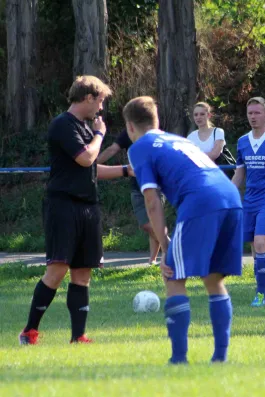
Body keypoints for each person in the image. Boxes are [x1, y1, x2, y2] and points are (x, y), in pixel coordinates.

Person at [125, 96, 242, 364]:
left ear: (130, 127)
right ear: (156, 120)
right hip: (230, 197)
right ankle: (220, 357)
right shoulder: (179, 139)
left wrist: (165, 246)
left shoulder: (140, 147)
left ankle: (179, 359)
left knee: (173, 276)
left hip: (201, 201)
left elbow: (152, 201)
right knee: (213, 279)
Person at [19, 76, 133, 345]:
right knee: (58, 270)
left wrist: (127, 170)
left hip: (88, 207)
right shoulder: (63, 125)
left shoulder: (84, 127)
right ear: (88, 97)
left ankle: (78, 336)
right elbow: (86, 158)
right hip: (63, 206)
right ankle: (29, 331)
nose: (101, 108)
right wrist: (100, 135)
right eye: (101, 100)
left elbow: (92, 168)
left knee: (83, 274)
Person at [232, 97, 265, 307]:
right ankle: (264, 293)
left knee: (262, 243)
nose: (253, 117)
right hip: (250, 201)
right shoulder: (242, 141)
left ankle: (262, 296)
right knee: (255, 247)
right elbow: (239, 173)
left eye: (257, 113)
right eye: (250, 113)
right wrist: (226, 192)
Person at [97, 130, 166, 266]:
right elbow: (112, 150)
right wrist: (92, 164)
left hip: (155, 184)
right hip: (136, 184)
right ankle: (171, 247)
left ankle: (152, 261)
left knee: (154, 222)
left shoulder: (158, 134)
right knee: (146, 225)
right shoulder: (128, 133)